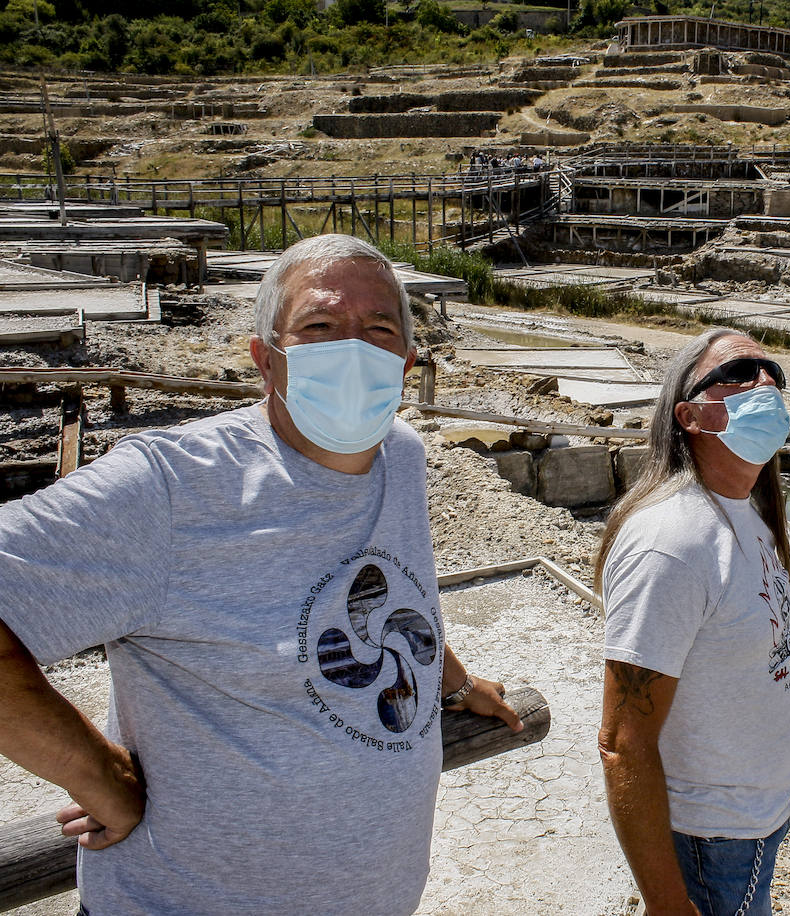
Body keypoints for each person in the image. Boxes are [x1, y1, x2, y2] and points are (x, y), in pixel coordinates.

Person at [0, 233, 520, 915]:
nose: (353, 349)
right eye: (320, 327)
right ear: (265, 362)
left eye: (379, 329)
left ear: (406, 362)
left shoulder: (401, 454)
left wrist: (453, 682)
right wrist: (100, 775)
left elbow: (384, 588)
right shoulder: (172, 488)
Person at [596, 328, 790, 916]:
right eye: (740, 374)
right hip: (709, 843)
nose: (766, 382)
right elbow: (621, 744)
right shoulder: (673, 543)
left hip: (750, 826)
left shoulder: (749, 515)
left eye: (772, 373)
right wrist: (666, 902)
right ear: (691, 415)